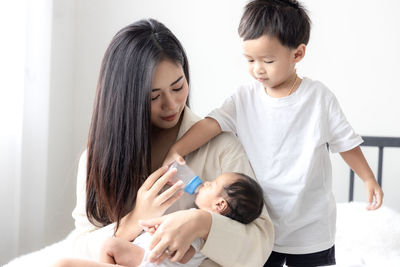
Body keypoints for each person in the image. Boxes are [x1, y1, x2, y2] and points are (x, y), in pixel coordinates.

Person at [163, 1, 384, 267]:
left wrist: (368, 178)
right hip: (262, 224)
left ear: (298, 54)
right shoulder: (243, 98)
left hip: (311, 229)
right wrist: (177, 150)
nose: (258, 69)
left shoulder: (319, 98)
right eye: (250, 60)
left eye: (268, 61)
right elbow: (211, 124)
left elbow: (345, 143)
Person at [63, 18, 273, 267]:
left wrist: (202, 224)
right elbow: (80, 245)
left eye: (177, 86)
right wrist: (136, 219)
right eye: (153, 97)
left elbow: (261, 241)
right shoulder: (96, 158)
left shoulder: (221, 147)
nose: (172, 105)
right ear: (125, 99)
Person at [52, 172, 265, 267]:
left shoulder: (205, 229)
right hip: (141, 258)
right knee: (108, 246)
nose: (206, 182)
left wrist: (164, 240)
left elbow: (187, 257)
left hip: (147, 261)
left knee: (64, 263)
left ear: (220, 205)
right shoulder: (198, 222)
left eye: (212, 185)